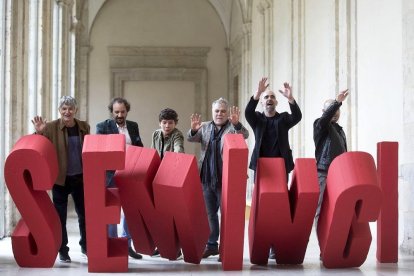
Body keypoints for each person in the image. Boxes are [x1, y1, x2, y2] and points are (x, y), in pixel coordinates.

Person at [245, 77, 302, 259]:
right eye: (266, 97)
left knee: (279, 206)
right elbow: (248, 113)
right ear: (262, 102)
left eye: (272, 97)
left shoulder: (284, 119)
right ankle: (263, 241)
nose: (269, 99)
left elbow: (297, 117)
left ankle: (275, 245)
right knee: (262, 206)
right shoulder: (258, 120)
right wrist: (257, 93)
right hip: (262, 168)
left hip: (280, 167)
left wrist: (291, 99)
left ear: (276, 102)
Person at [187, 97, 249, 260]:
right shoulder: (205, 126)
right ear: (212, 112)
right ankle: (212, 245)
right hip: (206, 178)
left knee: (227, 214)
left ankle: (226, 248)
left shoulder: (233, 127)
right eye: (217, 111)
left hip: (227, 179)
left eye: (223, 111)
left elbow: (245, 134)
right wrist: (193, 130)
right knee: (210, 214)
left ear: (227, 113)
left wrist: (237, 124)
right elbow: (191, 138)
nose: (219, 114)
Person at [31, 96, 89, 263]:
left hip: (79, 178)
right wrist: (39, 131)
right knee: (60, 217)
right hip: (60, 179)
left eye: (70, 108)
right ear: (59, 110)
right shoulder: (50, 127)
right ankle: (63, 250)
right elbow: (38, 144)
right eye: (64, 108)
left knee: (84, 215)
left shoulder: (84, 126)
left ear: (75, 110)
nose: (67, 112)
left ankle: (86, 246)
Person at [96, 97, 143, 259]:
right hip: (111, 175)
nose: (120, 115)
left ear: (127, 111)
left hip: (130, 174)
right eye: (117, 112)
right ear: (112, 111)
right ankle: (113, 244)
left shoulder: (133, 126)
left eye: (123, 112)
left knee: (130, 212)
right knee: (112, 212)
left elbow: (139, 147)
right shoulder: (102, 127)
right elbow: (99, 150)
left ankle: (127, 245)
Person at [150, 107, 184, 258]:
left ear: (175, 123)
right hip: (158, 176)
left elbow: (179, 149)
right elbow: (152, 153)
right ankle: (162, 245)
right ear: (159, 123)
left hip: (172, 175)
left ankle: (177, 248)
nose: (167, 126)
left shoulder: (177, 134)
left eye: (170, 123)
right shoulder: (156, 134)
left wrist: (176, 158)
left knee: (173, 214)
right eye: (164, 122)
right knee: (160, 214)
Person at [313, 89, 349, 225]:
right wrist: (337, 102)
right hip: (324, 172)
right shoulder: (319, 125)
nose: (335, 112)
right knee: (320, 209)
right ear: (324, 112)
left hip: (339, 174)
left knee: (338, 207)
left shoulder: (340, 130)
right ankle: (322, 243)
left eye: (337, 110)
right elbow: (325, 119)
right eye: (331, 109)